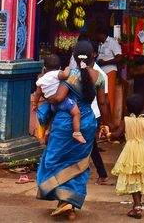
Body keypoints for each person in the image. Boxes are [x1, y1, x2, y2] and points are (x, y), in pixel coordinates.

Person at [30, 41, 107, 219]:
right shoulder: (100, 76)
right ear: (92, 56)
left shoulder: (71, 75)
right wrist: (105, 124)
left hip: (64, 124)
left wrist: (45, 101)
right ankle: (69, 203)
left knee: (55, 159)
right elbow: (102, 103)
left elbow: (59, 97)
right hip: (87, 123)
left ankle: (63, 201)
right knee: (78, 164)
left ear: (73, 56)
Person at [110, 93, 144, 219]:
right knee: (139, 176)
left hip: (130, 151)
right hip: (143, 150)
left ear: (127, 108)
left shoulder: (126, 120)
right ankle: (137, 205)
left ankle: (137, 206)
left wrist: (108, 134)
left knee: (133, 177)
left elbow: (117, 135)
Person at [94, 25, 124, 120]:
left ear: (101, 34)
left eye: (97, 35)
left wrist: (105, 62)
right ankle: (103, 119)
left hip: (110, 71)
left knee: (109, 96)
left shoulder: (112, 42)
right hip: (101, 72)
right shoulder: (100, 44)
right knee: (101, 96)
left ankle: (109, 120)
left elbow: (119, 57)